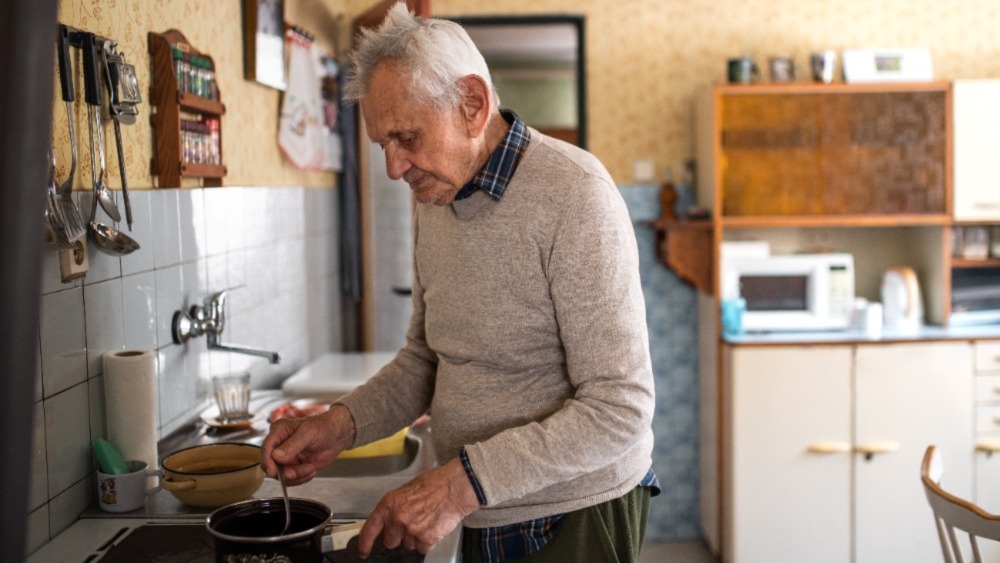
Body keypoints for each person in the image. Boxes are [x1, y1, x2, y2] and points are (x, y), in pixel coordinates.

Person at [261, 3, 658, 561]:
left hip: (572, 512)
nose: (394, 169)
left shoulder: (576, 195)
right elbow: (425, 360)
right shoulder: (437, 196)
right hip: (478, 502)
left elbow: (620, 407)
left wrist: (458, 484)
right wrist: (340, 425)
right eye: (382, 145)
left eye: (406, 137)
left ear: (472, 105)